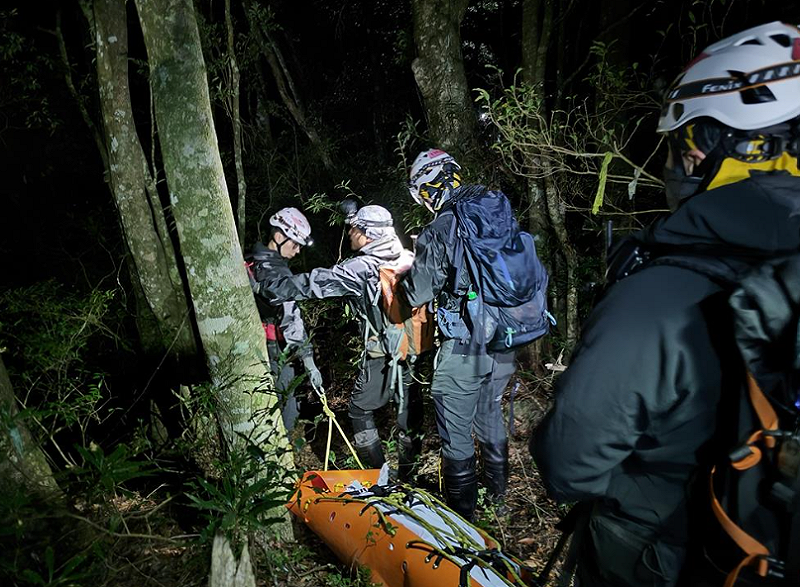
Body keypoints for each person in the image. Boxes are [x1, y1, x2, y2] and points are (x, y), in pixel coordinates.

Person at [530, 22, 800, 587]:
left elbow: (569, 464)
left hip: (667, 553)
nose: (680, 162)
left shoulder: (659, 297)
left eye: (688, 143)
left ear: (743, 145)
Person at [255, 204, 422, 480]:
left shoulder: (361, 267)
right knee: (408, 411)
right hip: (412, 349)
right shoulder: (405, 255)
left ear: (368, 234)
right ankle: (409, 477)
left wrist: (268, 288)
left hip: (381, 353)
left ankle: (380, 475)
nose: (349, 233)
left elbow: (316, 283)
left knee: (358, 408)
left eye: (354, 229)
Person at [402, 149, 519, 521]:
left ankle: (462, 519)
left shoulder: (440, 228)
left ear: (427, 189)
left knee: (455, 427)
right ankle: (496, 500)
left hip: (467, 343)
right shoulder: (494, 210)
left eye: (421, 193)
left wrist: (418, 256)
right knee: (489, 412)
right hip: (506, 336)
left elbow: (416, 293)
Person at [247, 207, 322, 431]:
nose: (297, 251)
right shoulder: (275, 272)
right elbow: (291, 318)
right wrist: (308, 359)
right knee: (287, 405)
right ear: (278, 237)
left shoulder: (250, 260)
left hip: (254, 345)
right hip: (272, 348)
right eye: (295, 244)